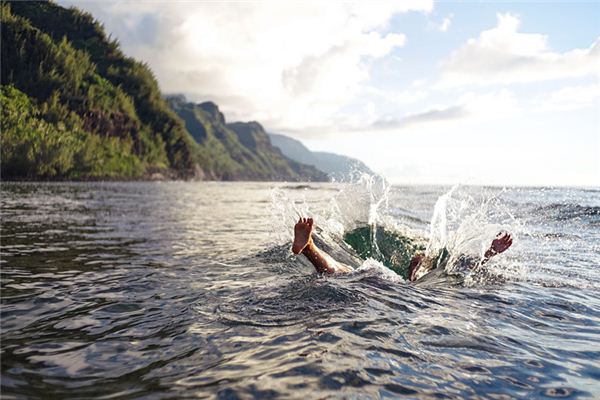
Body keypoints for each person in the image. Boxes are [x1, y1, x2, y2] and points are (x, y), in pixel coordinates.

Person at [292, 217, 513, 281]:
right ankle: (309, 247)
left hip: (377, 280)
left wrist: (489, 253)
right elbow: (464, 267)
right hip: (389, 287)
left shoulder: (388, 274)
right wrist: (489, 254)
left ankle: (309, 247)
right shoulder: (430, 279)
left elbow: (462, 265)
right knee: (342, 272)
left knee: (342, 272)